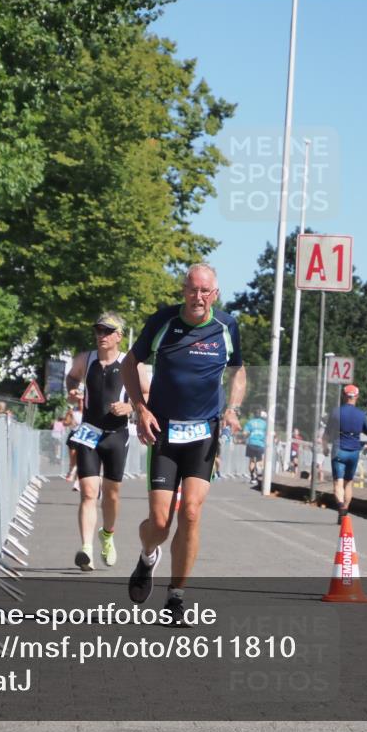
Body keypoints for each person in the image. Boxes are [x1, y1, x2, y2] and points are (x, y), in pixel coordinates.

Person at [121, 263, 246, 624]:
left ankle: (176, 597)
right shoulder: (162, 322)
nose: (199, 297)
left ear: (215, 294)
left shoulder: (227, 326)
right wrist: (140, 409)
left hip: (203, 433)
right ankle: (147, 555)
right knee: (160, 524)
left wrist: (233, 408)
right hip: (164, 433)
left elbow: (238, 369)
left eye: (205, 291)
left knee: (190, 512)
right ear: (183, 290)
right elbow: (131, 363)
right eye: (193, 290)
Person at [65, 312, 150, 571]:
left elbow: (147, 394)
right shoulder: (85, 359)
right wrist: (72, 390)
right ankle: (86, 549)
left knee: (111, 496)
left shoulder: (131, 363)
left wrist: (130, 407)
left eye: (107, 331)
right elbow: (72, 377)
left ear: (119, 336)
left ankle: (108, 535)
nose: (101, 335)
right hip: (89, 432)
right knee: (89, 492)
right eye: (98, 330)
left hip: (116, 435)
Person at [324, 384, 367, 524]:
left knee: (338, 483)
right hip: (354, 452)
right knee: (349, 483)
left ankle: (339, 505)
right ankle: (345, 510)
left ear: (344, 396)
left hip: (339, 449)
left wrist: (325, 448)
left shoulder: (335, 412)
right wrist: (361, 445)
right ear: (356, 397)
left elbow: (327, 434)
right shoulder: (362, 414)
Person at [242, 410, 268, 485]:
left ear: (254, 415)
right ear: (260, 415)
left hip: (251, 443)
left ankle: (252, 477)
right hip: (260, 444)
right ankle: (259, 475)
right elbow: (269, 433)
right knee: (260, 460)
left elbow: (245, 433)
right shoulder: (264, 423)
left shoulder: (250, 422)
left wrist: (245, 437)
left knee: (252, 461)